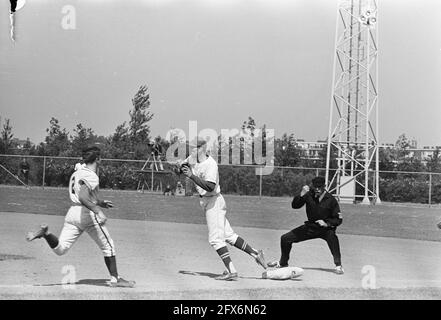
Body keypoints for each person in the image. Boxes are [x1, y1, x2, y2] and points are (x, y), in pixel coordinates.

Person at [25, 146, 135, 287]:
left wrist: (100, 202)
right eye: (100, 157)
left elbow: (81, 195)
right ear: (97, 159)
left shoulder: (78, 172)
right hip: (86, 214)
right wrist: (98, 210)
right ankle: (116, 279)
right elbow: (83, 197)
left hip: (72, 213)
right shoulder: (91, 175)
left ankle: (46, 234)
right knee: (108, 246)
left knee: (61, 249)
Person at [179, 138, 267, 281]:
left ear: (202, 148)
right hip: (207, 201)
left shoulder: (211, 164)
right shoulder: (192, 158)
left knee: (215, 239)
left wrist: (191, 176)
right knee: (229, 236)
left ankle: (231, 271)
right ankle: (256, 254)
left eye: (194, 147)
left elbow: (210, 186)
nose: (191, 150)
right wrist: (181, 168)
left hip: (214, 202)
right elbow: (182, 167)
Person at [268, 176, 344, 274]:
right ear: (312, 186)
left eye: (319, 187)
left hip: (325, 229)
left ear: (324, 186)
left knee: (333, 239)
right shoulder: (308, 195)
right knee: (285, 238)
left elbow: (338, 219)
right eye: (315, 186)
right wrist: (301, 194)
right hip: (310, 227)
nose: (317, 189)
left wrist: (327, 223)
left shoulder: (331, 199)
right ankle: (283, 263)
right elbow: (295, 206)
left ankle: (338, 265)